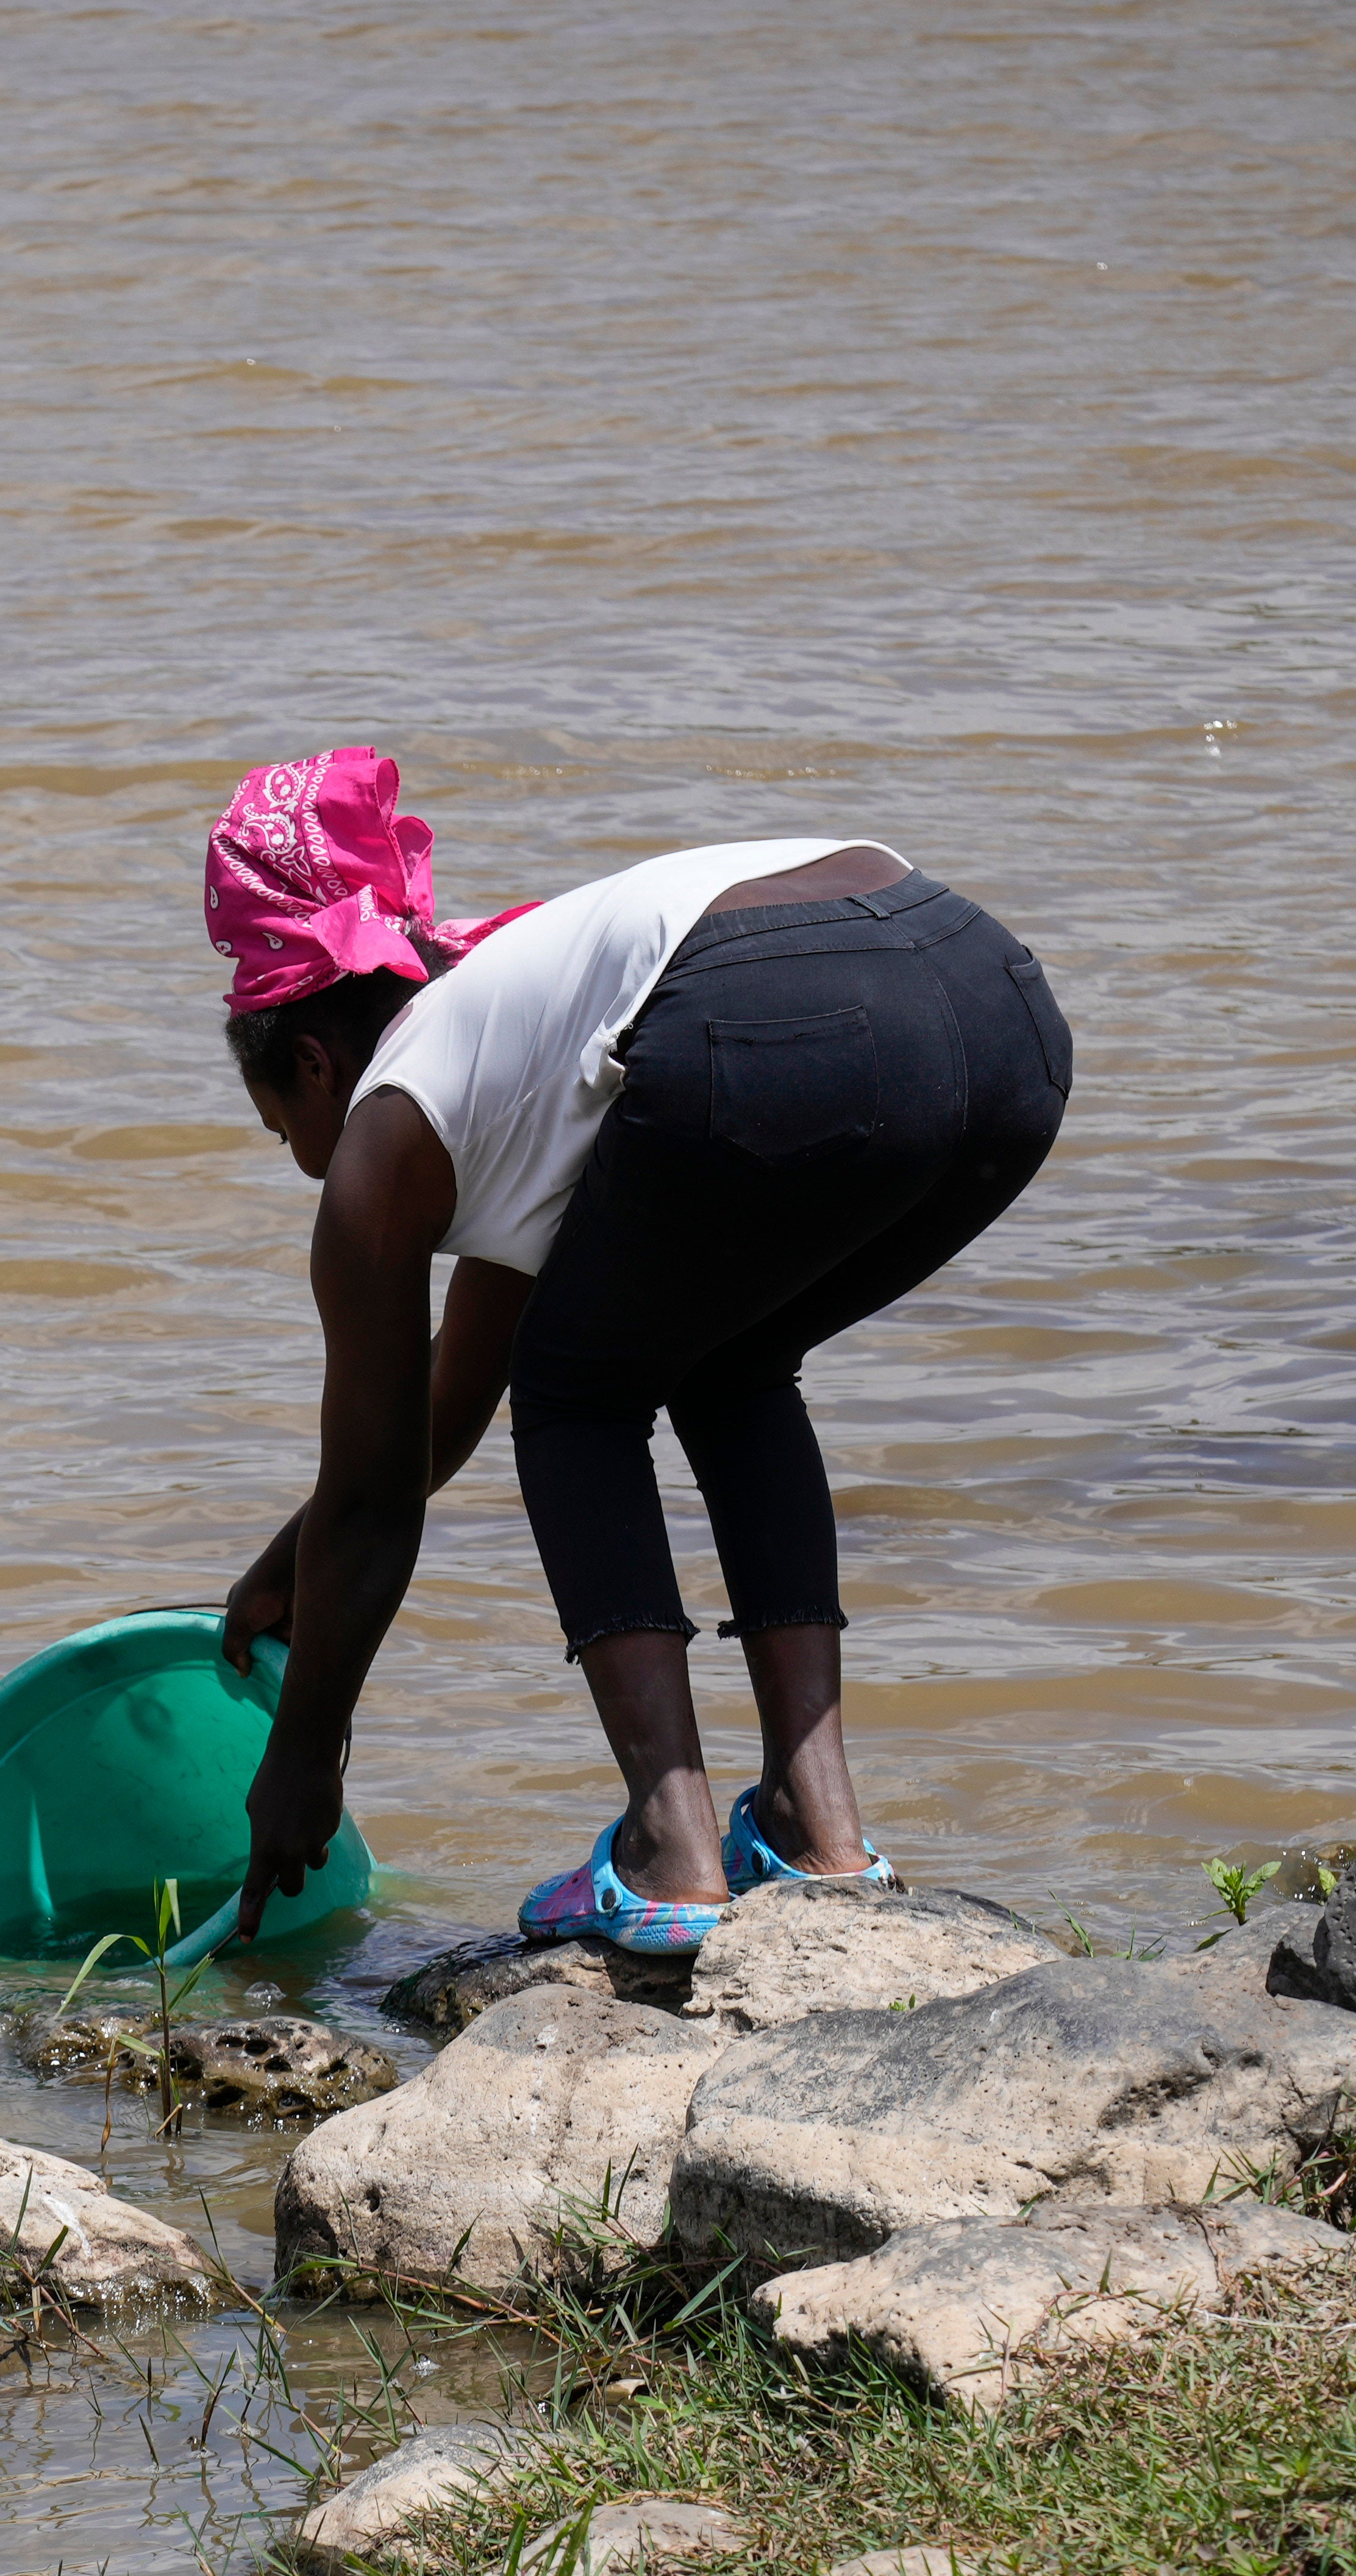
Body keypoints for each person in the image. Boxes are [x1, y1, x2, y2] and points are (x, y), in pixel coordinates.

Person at [207, 746, 1069, 1955]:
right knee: (729, 1357)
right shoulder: (517, 1047)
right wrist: (293, 1560)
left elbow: (378, 1495)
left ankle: (671, 1853)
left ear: (311, 1063)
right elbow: (429, 1420)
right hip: (998, 1011)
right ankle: (818, 1833)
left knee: (575, 1397)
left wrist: (302, 1756)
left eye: (279, 1124)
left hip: (782, 1001)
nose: (301, 1156)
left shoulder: (385, 1133)